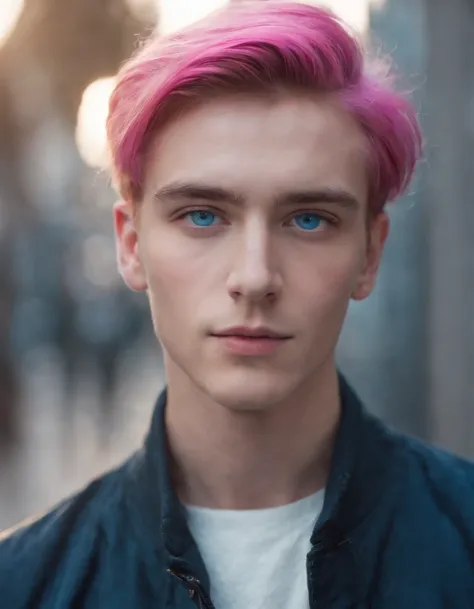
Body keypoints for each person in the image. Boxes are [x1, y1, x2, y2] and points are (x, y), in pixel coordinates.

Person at [1, 2, 473, 607]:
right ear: (131, 244)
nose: (254, 277)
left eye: (309, 219)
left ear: (370, 254)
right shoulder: (24, 584)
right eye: (202, 215)